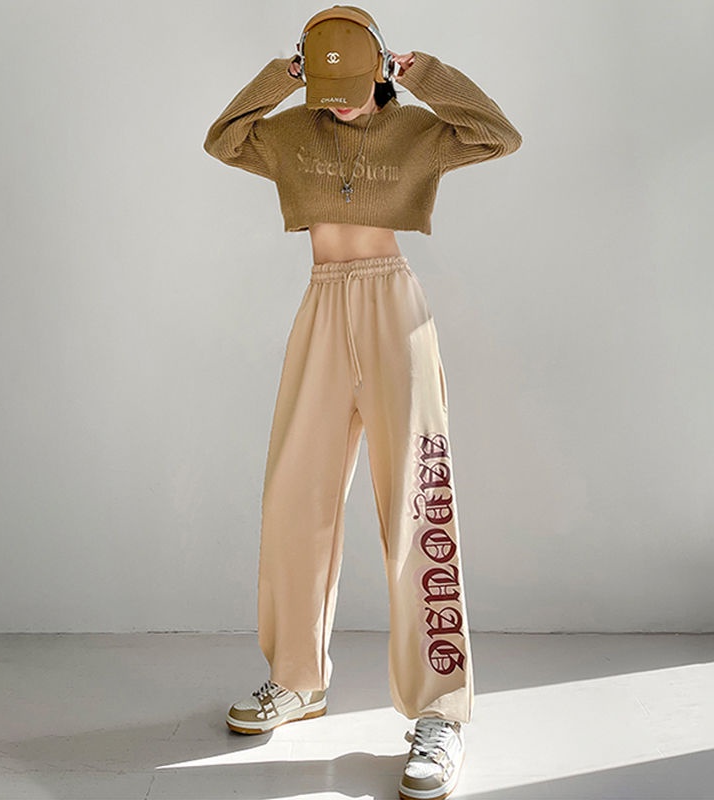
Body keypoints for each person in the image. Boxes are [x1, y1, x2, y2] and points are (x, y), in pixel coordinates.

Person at [203, 6, 522, 799]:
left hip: (393, 309)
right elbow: (225, 140)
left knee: (417, 505)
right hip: (320, 304)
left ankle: (440, 713)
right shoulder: (294, 132)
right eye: (329, 87)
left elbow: (497, 135)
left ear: (378, 72)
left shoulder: (417, 132)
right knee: (293, 499)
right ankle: (296, 679)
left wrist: (425, 73)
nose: (340, 104)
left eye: (353, 87)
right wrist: (286, 78)